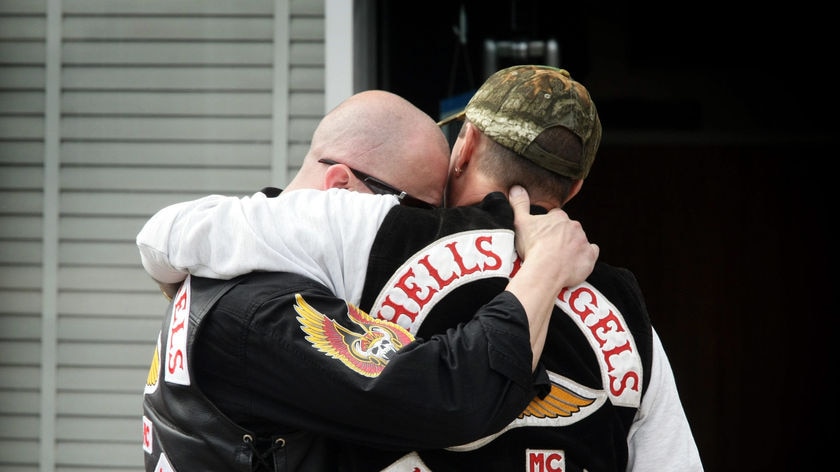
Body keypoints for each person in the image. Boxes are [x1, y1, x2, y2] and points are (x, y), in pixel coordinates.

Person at [140, 66, 703, 470]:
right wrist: (546, 265)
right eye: (412, 205)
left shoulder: (363, 241)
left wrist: (168, 265)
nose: (423, 218)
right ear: (577, 188)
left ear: (466, 144)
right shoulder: (631, 319)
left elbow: (176, 229)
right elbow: (456, 391)